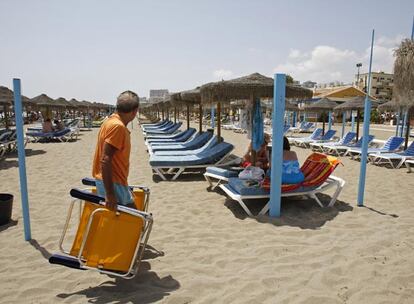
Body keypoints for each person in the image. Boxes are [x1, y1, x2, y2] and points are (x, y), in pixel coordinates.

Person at [92, 90, 139, 210]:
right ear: (134, 112)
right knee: (137, 221)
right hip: (114, 183)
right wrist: (110, 194)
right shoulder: (117, 127)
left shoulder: (109, 121)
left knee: (129, 223)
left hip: (112, 182)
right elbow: (105, 159)